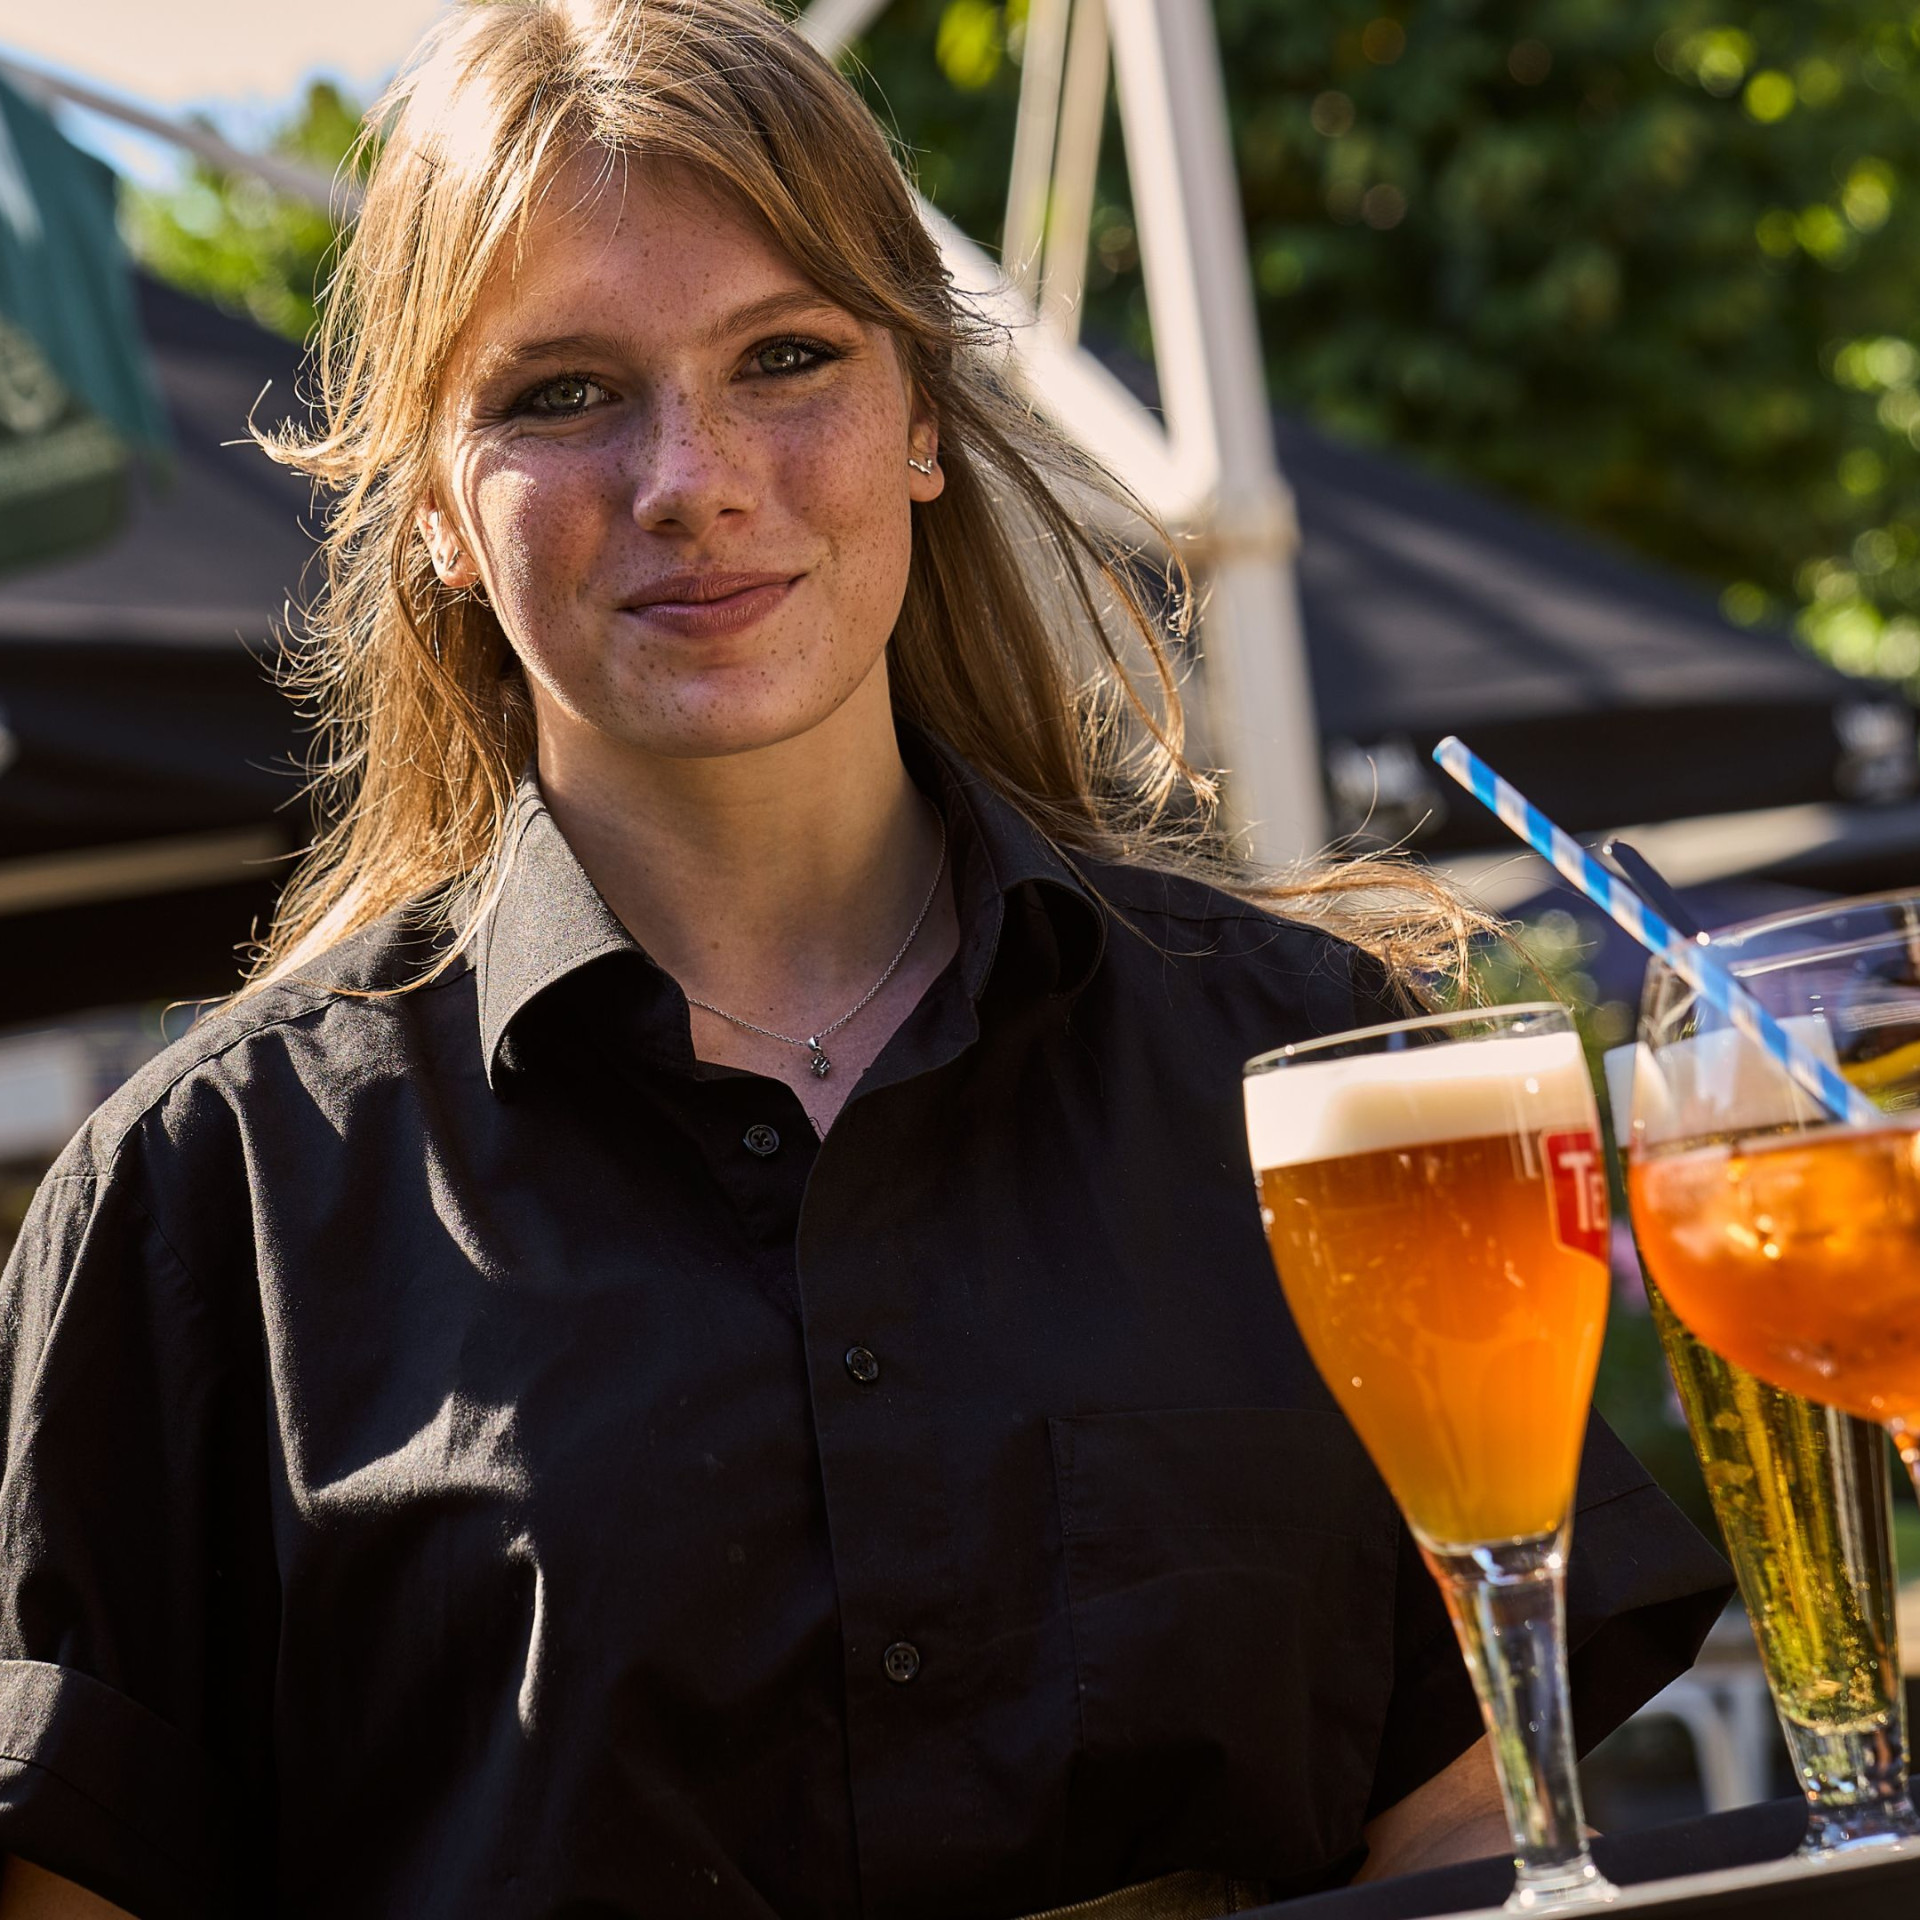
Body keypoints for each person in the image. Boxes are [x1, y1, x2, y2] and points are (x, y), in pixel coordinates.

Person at [0, 2, 1730, 1915]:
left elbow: (1485, 1815)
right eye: (562, 393)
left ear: (923, 420)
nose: (695, 474)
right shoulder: (198, 1202)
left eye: (788, 357)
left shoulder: (1324, 1070)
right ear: (430, 507)